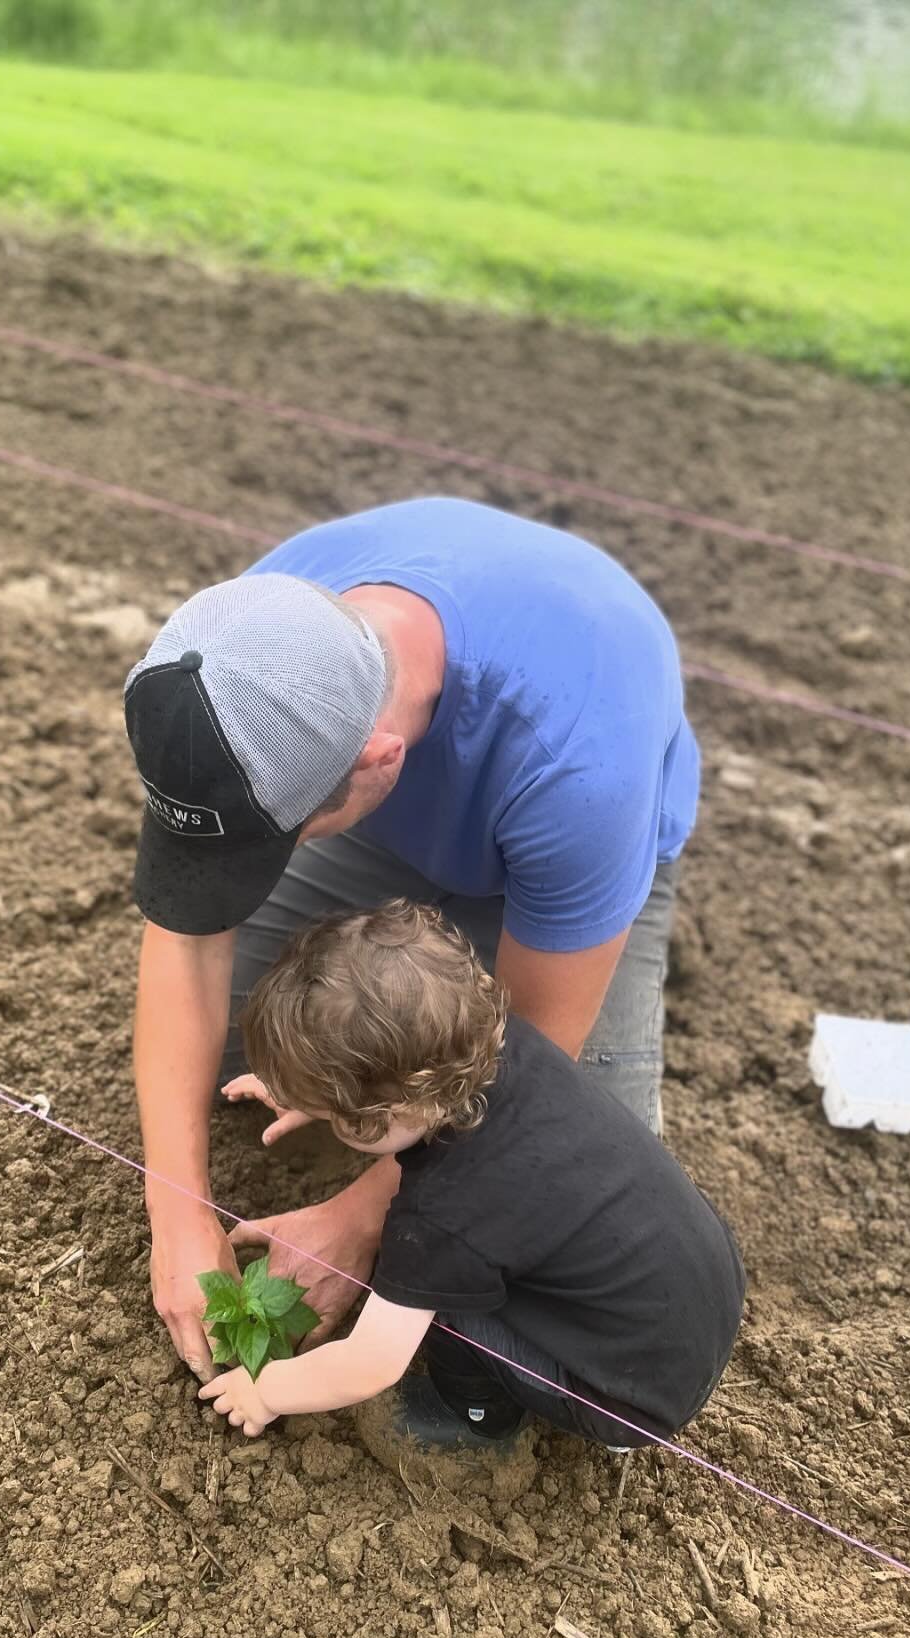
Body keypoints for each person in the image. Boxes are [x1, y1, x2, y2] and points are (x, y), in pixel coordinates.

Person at [124, 496, 700, 1380]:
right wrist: (179, 1211)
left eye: (269, 838)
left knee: (556, 1173)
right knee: (262, 1044)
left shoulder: (576, 770)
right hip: (393, 820)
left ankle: (537, 921)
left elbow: (527, 1055)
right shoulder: (253, 645)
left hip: (553, 861)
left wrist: (359, 1218)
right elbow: (188, 939)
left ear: (377, 762)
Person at [200, 903, 744, 1450]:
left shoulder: (438, 1216)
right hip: (704, 1293)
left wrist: (265, 1391)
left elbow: (369, 1364)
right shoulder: (508, 1046)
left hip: (627, 1398)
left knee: (443, 1305)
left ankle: (477, 1419)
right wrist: (310, 1093)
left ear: (376, 1117)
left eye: (332, 1113)